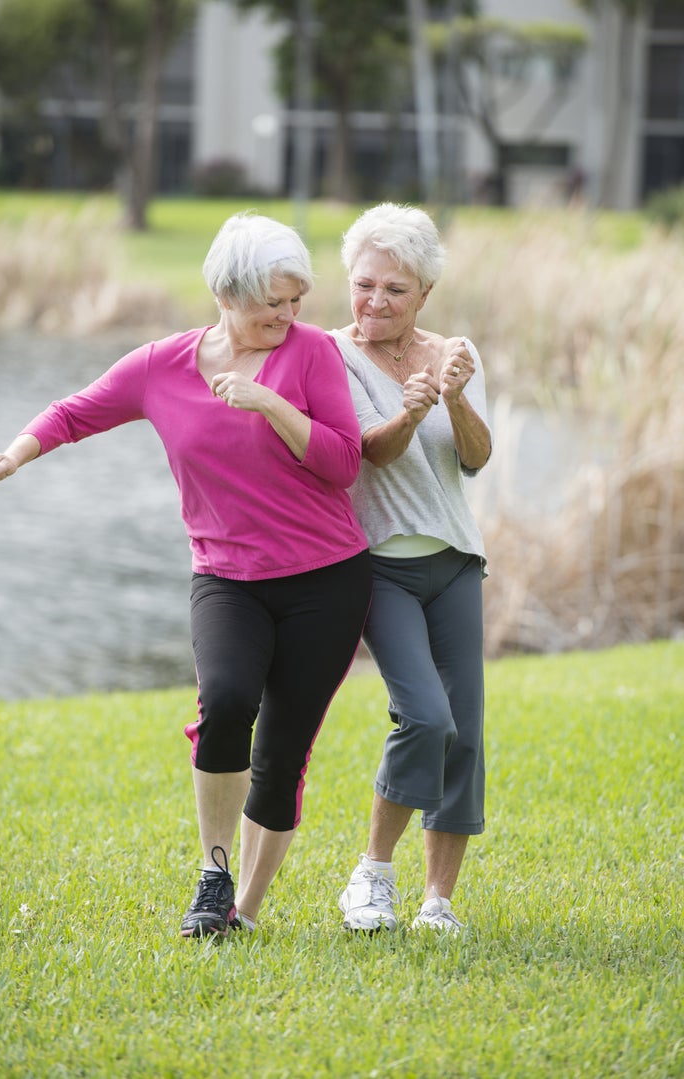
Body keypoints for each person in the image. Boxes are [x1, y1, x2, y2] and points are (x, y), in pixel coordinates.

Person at [0, 211, 372, 939]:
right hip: (226, 577)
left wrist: (271, 403)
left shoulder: (312, 355)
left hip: (327, 580)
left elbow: (344, 462)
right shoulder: (163, 365)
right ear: (227, 293)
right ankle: (213, 872)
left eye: (296, 301)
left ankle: (240, 911)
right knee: (224, 703)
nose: (288, 315)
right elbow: (74, 413)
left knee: (283, 751)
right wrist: (12, 454)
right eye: (271, 303)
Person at [331, 203, 491, 934]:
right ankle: (372, 873)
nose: (375, 302)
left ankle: (439, 902)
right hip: (378, 568)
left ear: (424, 293)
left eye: (395, 290)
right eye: (364, 284)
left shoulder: (455, 351)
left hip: (453, 563)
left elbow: (476, 457)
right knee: (424, 715)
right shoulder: (328, 354)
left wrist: (452, 395)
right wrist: (406, 409)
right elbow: (370, 451)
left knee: (465, 732)